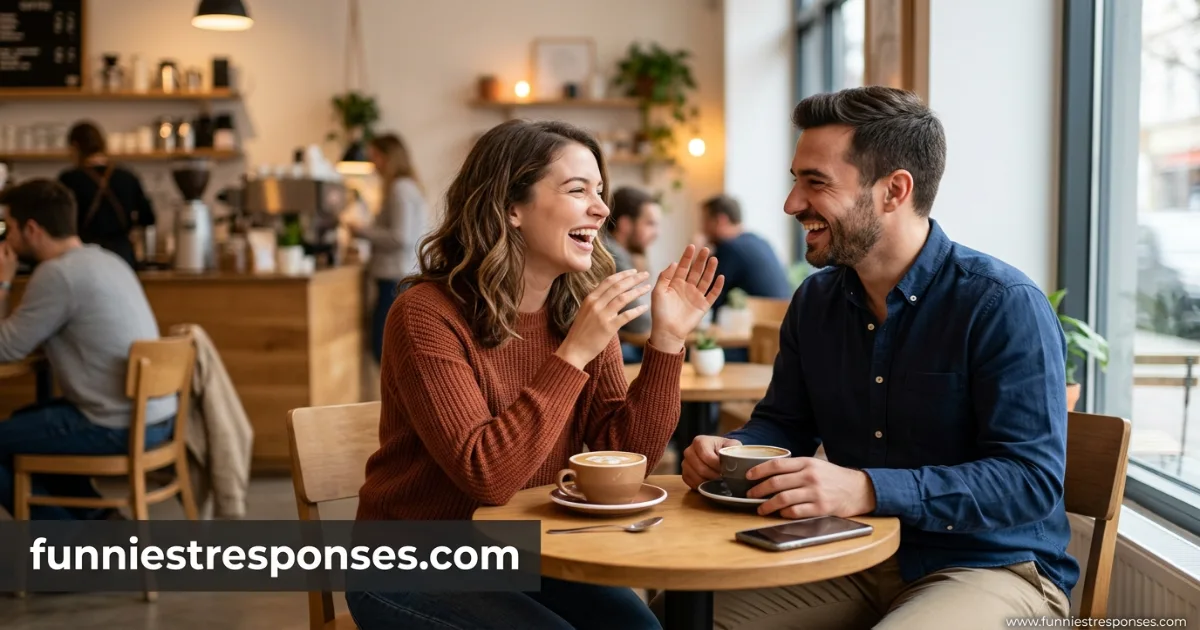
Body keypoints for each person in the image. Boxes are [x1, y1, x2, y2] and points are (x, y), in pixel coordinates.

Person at [681, 86, 1076, 628]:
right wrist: (733, 450)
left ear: (894, 190)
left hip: (991, 566)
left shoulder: (1001, 304)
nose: (792, 204)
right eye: (795, 180)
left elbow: (1028, 479)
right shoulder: (815, 302)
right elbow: (784, 422)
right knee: (687, 617)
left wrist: (867, 488)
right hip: (851, 551)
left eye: (815, 182)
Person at [347, 119, 724, 630]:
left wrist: (667, 343)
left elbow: (624, 455)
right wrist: (572, 356)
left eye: (600, 190)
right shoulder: (426, 315)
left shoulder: (579, 309)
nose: (602, 207)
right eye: (577, 190)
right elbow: (488, 477)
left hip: (526, 552)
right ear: (511, 208)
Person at [0, 179, 176, 520]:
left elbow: (6, 348)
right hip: (156, 418)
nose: (5, 237)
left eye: (9, 226)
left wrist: (3, 282)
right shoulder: (107, 260)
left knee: (19, 435)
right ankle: (100, 524)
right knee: (25, 424)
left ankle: (72, 544)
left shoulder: (58, 275)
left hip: (116, 425)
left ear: (32, 228)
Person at [347, 132, 430, 365]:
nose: (373, 165)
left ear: (387, 157)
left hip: (394, 277)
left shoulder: (399, 189)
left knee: (383, 350)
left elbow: (400, 236)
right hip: (403, 274)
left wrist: (361, 231)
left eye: (375, 157)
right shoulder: (409, 187)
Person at [57, 121, 156, 268]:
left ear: (75, 147)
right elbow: (149, 217)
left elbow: (58, 222)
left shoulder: (69, 179)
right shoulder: (128, 176)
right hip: (122, 255)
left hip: (83, 255)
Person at [698, 194, 791, 314]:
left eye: (705, 221)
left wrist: (699, 255)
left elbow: (704, 300)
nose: (702, 228)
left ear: (721, 220)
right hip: (781, 321)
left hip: (760, 327)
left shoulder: (730, 248)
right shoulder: (759, 241)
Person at [603, 186, 662, 363]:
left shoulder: (616, 251)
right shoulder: (611, 255)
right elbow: (638, 324)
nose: (656, 234)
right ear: (625, 224)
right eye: (650, 224)